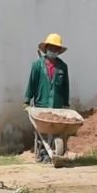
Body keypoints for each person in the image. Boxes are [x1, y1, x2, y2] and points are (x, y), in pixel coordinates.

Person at [24, 33, 70, 162]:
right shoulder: (37, 65)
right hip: (41, 104)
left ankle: (55, 151)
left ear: (59, 51)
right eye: (51, 48)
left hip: (57, 105)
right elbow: (31, 83)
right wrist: (27, 100)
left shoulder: (62, 67)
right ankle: (42, 153)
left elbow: (66, 86)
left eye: (56, 49)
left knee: (55, 131)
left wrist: (66, 103)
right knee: (42, 131)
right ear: (46, 48)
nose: (53, 51)